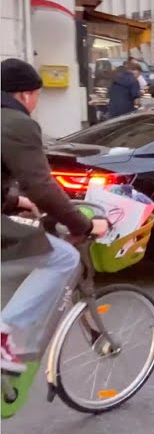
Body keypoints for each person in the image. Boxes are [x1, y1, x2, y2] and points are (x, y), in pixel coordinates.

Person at [2, 59, 110, 372]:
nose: (36, 103)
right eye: (37, 95)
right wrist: (84, 225)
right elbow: (42, 186)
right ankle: (5, 336)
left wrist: (13, 201)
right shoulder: (16, 123)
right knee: (64, 258)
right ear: (24, 94)